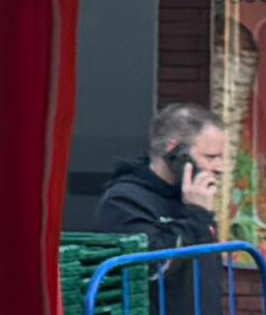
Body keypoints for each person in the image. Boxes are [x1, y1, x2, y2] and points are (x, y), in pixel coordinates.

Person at [91, 100, 232, 253]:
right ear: (174, 151)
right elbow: (154, 268)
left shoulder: (190, 196)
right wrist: (196, 214)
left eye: (221, 157)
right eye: (211, 157)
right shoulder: (124, 202)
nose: (220, 168)